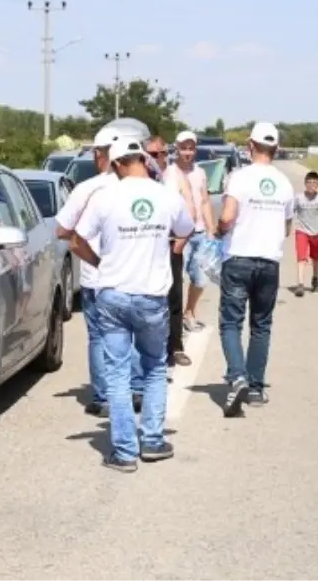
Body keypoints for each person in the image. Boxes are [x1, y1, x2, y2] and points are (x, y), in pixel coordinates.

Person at [71, 132, 194, 472]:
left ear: (115, 164)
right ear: (143, 159)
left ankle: (124, 451)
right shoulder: (165, 195)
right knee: (154, 367)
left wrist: (98, 262)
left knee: (117, 372)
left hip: (111, 294)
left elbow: (75, 241)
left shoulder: (104, 196)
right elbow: (187, 227)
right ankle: (152, 440)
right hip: (152, 295)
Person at [55, 126, 145, 417]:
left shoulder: (89, 188)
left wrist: (94, 255)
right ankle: (136, 389)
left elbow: (62, 230)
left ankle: (104, 397)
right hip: (136, 276)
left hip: (98, 277)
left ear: (99, 155)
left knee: (99, 337)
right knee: (131, 335)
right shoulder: (145, 188)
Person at [215, 121, 295, 416]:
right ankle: (257, 387)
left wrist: (219, 229)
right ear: (275, 149)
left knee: (231, 323)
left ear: (250, 146)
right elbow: (287, 226)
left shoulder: (239, 177)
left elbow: (228, 216)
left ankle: (237, 376)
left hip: (239, 257)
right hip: (269, 260)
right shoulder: (285, 183)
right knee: (261, 325)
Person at [146, 134, 196, 367]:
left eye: (160, 153)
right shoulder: (141, 178)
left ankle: (175, 346)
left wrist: (180, 242)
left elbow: (190, 208)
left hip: (170, 243)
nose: (156, 158)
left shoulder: (174, 176)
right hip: (146, 244)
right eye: (151, 154)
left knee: (173, 296)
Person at [163, 130, 217, 333]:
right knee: (177, 280)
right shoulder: (170, 173)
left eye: (191, 148)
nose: (187, 152)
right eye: (183, 148)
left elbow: (204, 200)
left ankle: (189, 312)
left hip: (200, 233)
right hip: (179, 235)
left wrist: (211, 229)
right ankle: (173, 319)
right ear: (176, 148)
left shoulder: (200, 172)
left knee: (201, 279)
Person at [293, 170, 318, 295]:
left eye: (314, 182)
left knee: (315, 258)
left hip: (316, 233)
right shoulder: (299, 197)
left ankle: (315, 278)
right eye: (309, 182)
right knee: (301, 258)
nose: (311, 185)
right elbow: (291, 211)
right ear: (305, 183)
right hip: (301, 231)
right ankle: (300, 284)